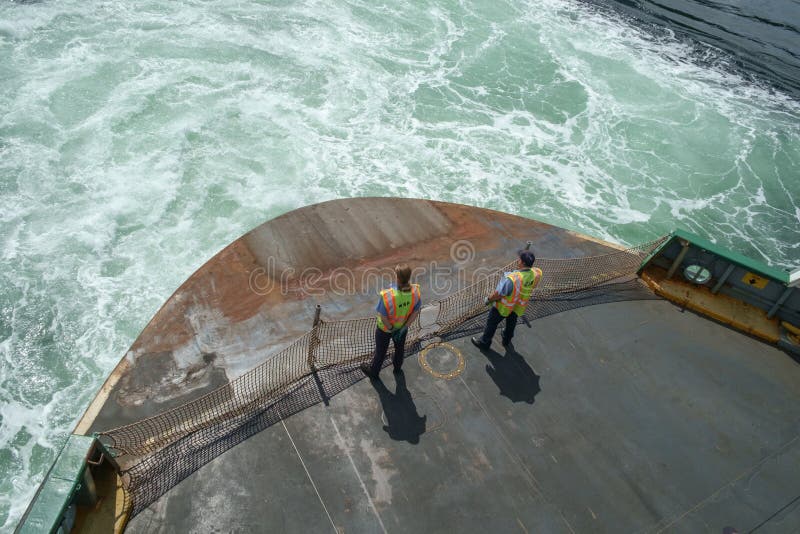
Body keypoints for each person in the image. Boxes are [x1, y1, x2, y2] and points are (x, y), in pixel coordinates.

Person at [472, 249, 542, 350]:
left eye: (519, 259)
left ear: (522, 262)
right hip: (518, 307)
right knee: (511, 322)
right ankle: (506, 339)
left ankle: (484, 342)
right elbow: (534, 284)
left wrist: (489, 299)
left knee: (492, 323)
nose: (517, 260)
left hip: (503, 307)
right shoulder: (536, 273)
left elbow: (499, 294)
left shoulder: (512, 279)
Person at [361, 264, 422, 379]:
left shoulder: (387, 296)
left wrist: (391, 329)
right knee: (399, 349)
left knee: (381, 352)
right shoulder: (415, 292)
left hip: (384, 330)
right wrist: (404, 327)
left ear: (398, 278)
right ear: (408, 277)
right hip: (402, 328)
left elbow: (383, 316)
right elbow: (416, 311)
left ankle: (373, 372)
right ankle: (397, 368)